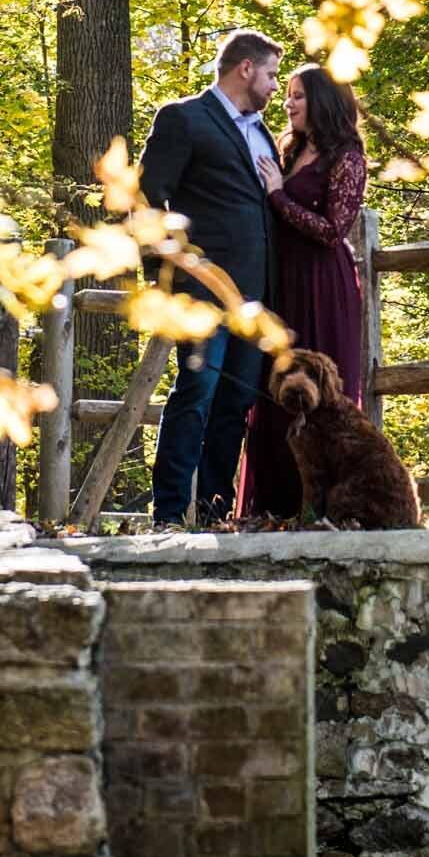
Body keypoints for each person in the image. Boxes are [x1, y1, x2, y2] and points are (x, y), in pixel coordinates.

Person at [141, 29, 283, 526]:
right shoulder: (183, 118)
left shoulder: (262, 132)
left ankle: (215, 510)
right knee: (196, 393)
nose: (273, 86)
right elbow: (148, 198)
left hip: (252, 296)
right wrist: (165, 278)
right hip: (200, 291)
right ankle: (170, 511)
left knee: (236, 402)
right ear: (245, 68)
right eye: (270, 74)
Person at [238, 64, 367, 521]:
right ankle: (272, 507)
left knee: (324, 396)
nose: (288, 103)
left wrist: (278, 196)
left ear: (324, 102)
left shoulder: (347, 158)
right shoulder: (289, 152)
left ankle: (325, 508)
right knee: (275, 387)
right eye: (287, 94)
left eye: (298, 96)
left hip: (324, 285)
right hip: (283, 284)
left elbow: (334, 231)